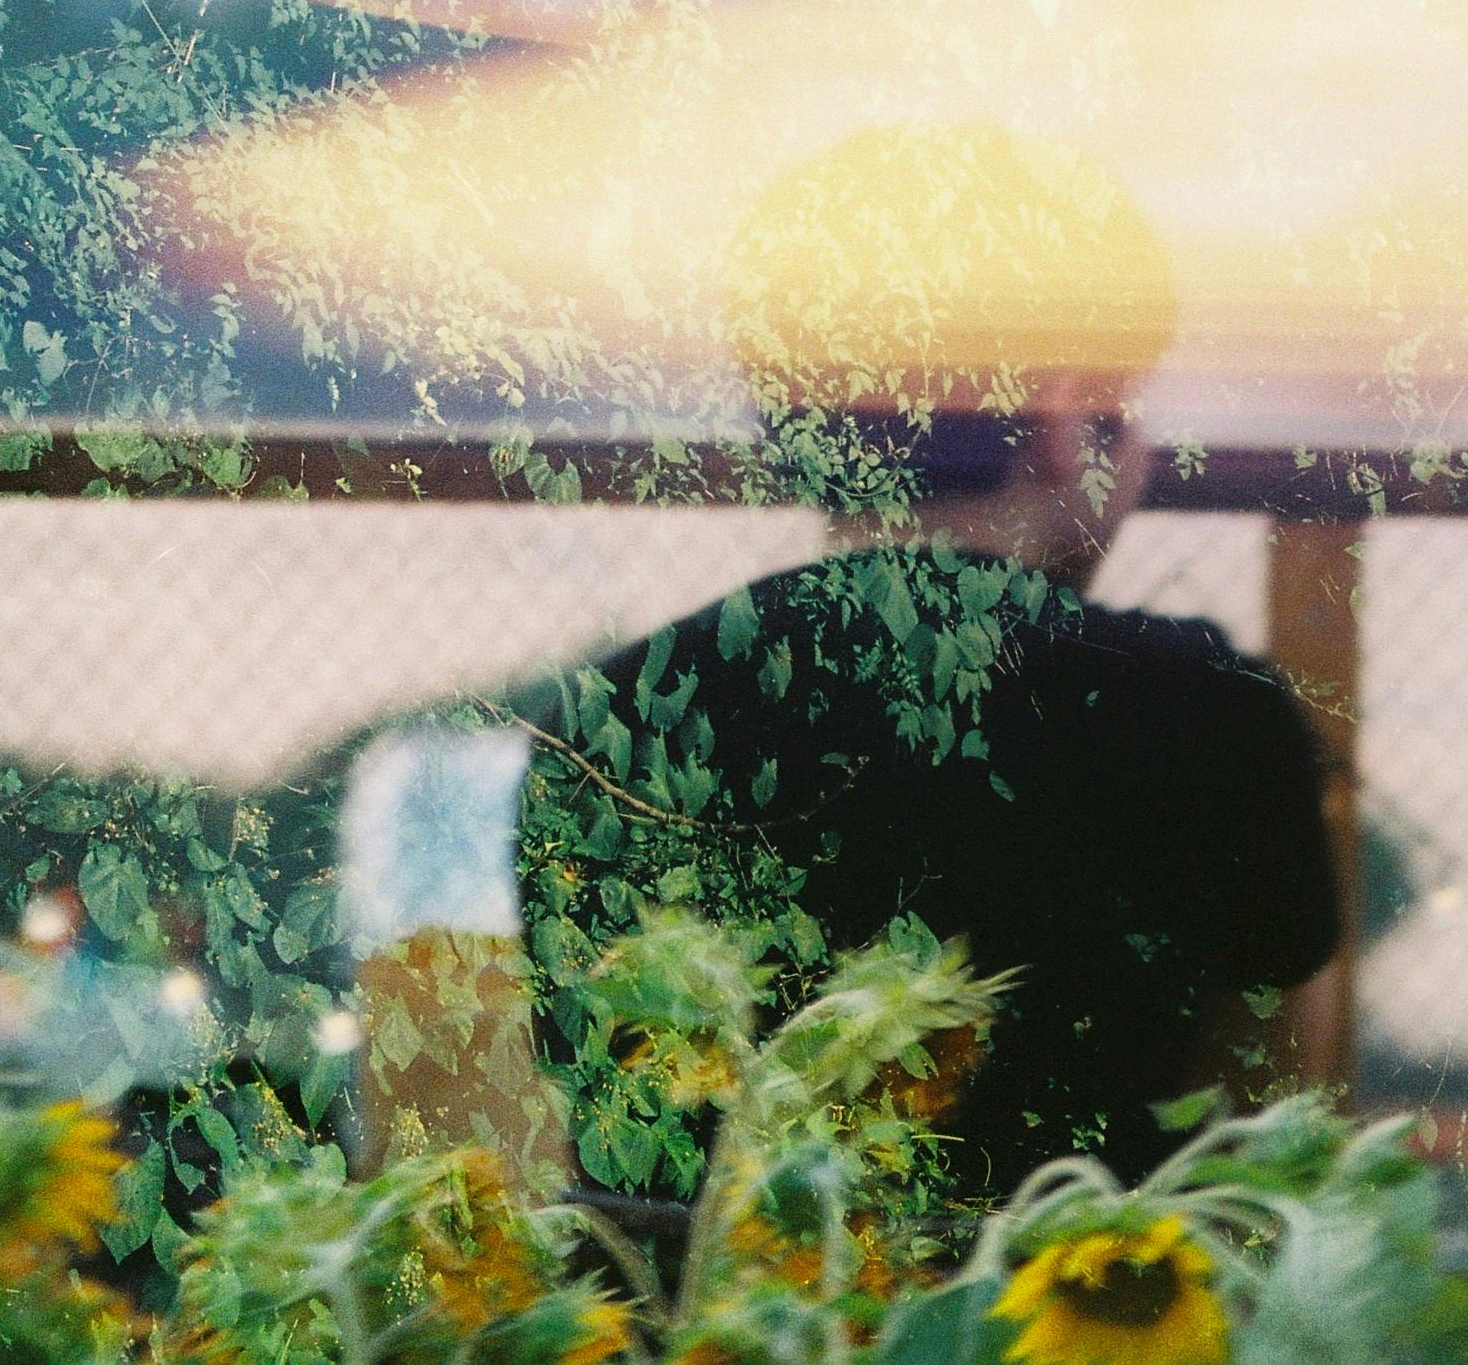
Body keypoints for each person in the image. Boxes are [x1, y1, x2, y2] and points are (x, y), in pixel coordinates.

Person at [518, 124, 1342, 1196]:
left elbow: (604, 1134)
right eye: (1127, 405)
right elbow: (1269, 1128)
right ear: (1062, 416)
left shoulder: (617, 717)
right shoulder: (1208, 716)